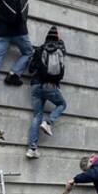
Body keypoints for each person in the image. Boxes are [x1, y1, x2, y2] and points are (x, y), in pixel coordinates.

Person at [25, 26, 67, 159]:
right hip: (50, 85)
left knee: (37, 115)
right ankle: (49, 122)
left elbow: (30, 69)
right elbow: (61, 72)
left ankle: (32, 148)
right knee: (62, 104)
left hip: (36, 85)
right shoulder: (59, 50)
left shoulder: (39, 49)